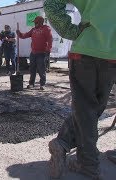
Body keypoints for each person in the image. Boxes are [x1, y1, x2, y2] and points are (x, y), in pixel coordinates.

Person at [44, 0, 116, 179]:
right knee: (91, 111)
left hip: (85, 52)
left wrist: (72, 32)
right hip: (111, 55)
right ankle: (88, 163)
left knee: (87, 111)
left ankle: (64, 145)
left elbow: (52, 5)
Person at [16, 16, 52, 90]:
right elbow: (25, 36)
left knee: (41, 69)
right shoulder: (33, 30)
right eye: (35, 22)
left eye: (36, 22)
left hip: (42, 53)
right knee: (32, 69)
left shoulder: (46, 29)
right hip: (33, 53)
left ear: (40, 22)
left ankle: (42, 84)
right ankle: (31, 84)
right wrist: (19, 33)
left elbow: (50, 40)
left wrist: (48, 50)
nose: (35, 24)